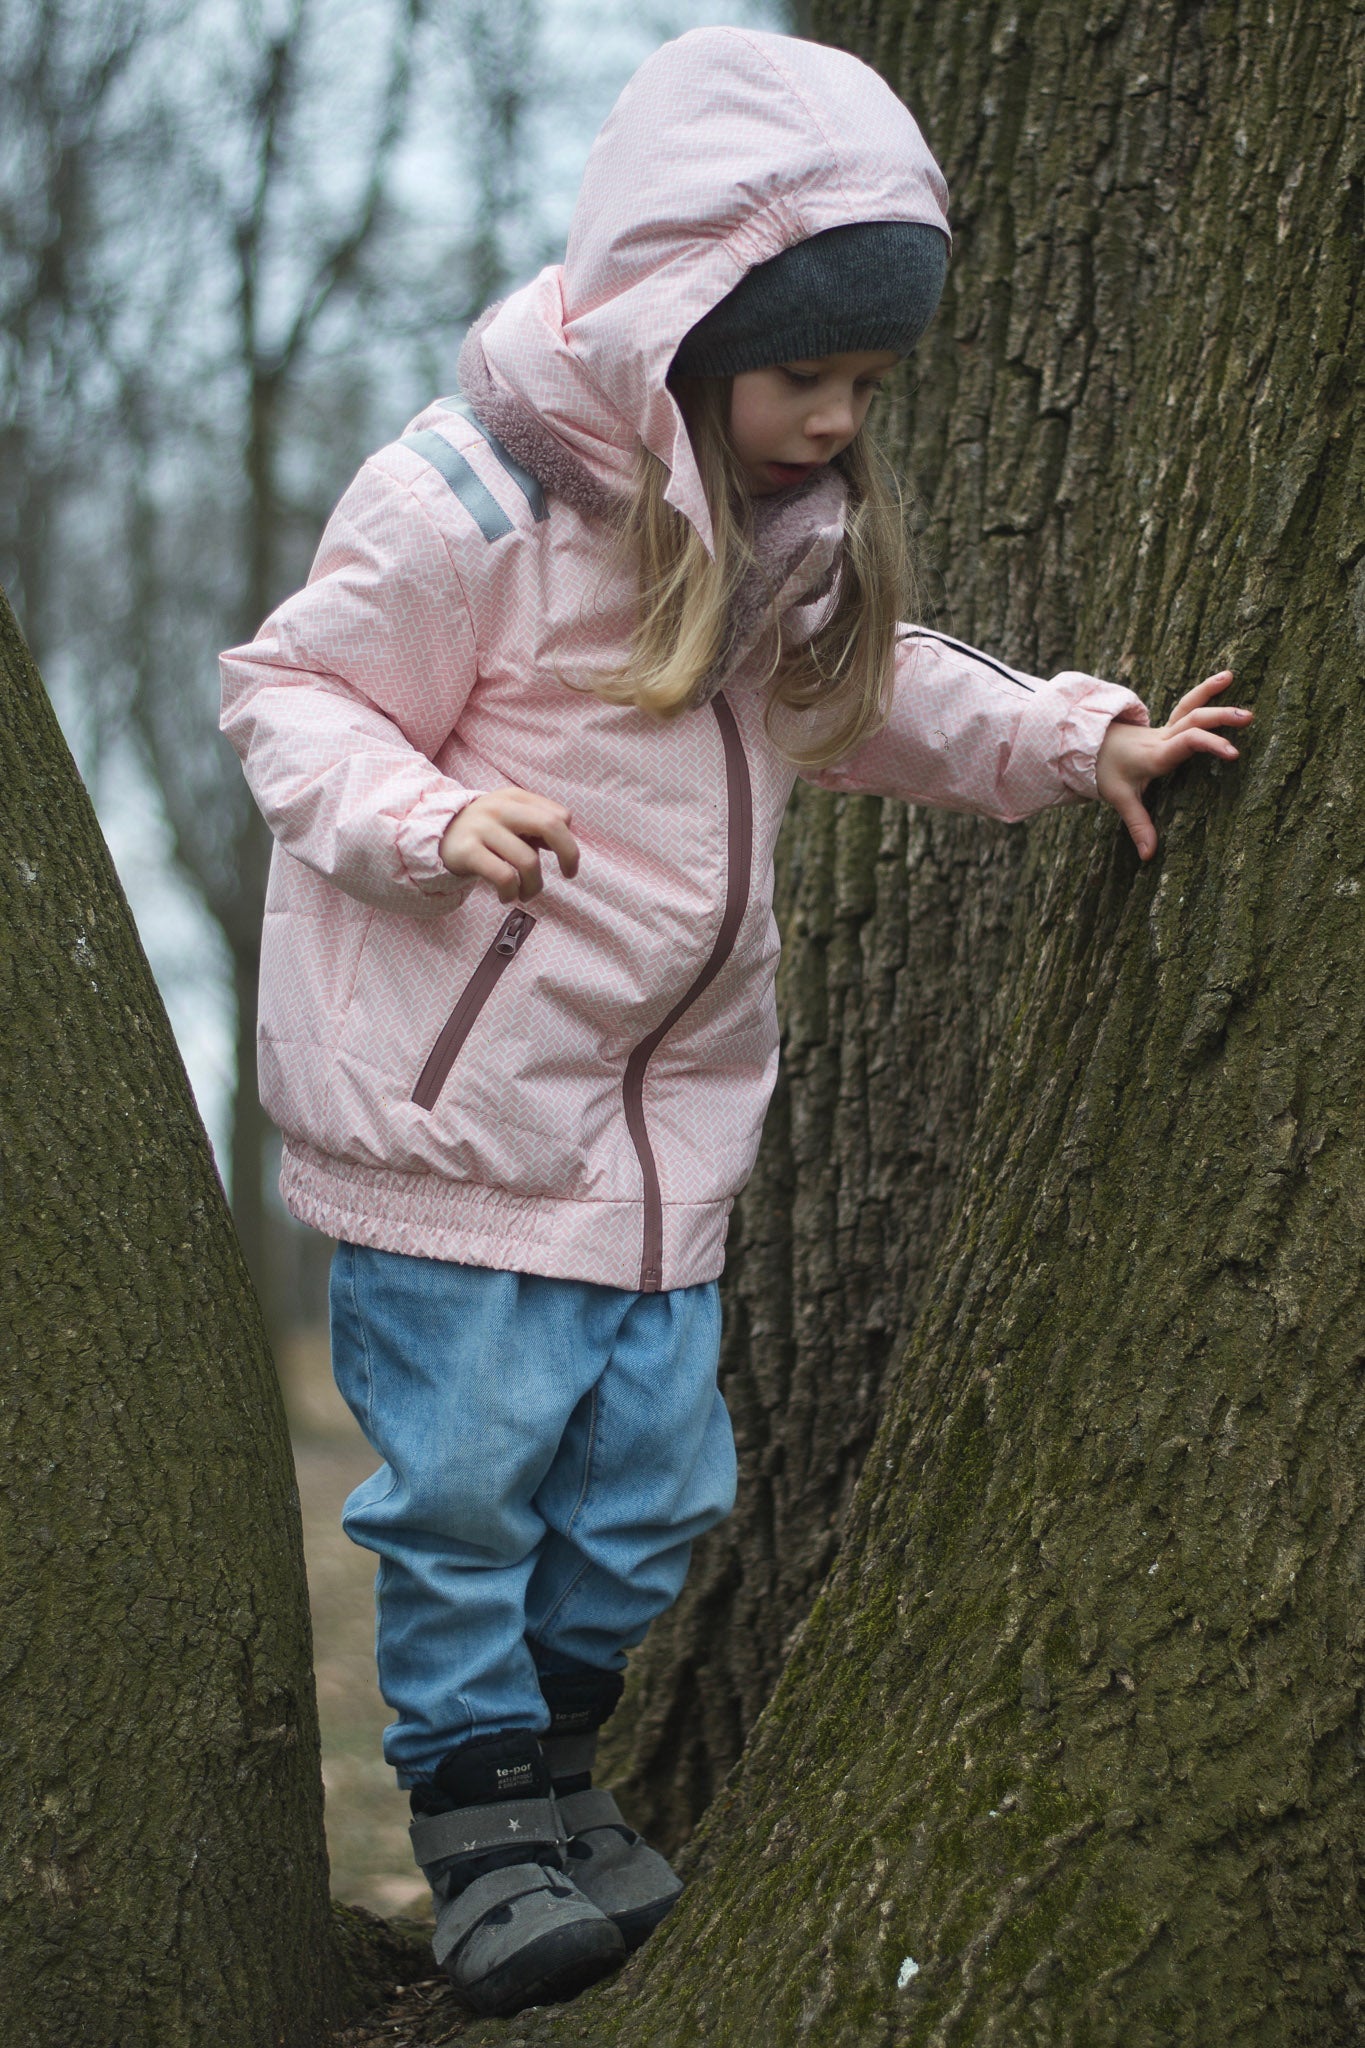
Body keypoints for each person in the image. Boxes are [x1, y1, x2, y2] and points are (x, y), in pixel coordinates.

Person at [220, 26, 1250, 2019]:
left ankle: (549, 1764)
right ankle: (476, 1809)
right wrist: (435, 817)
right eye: (808, 376)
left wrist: (1070, 733)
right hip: (457, 1130)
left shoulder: (784, 541)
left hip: (658, 1147)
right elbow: (291, 695)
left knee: (653, 1495)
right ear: (682, 329)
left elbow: (882, 702)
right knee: (460, 1490)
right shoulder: (470, 501)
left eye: (865, 385)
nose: (835, 419)